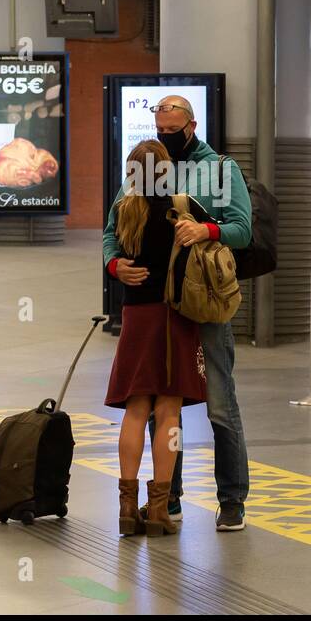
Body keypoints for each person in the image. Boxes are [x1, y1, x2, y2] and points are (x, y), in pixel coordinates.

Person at [103, 95, 254, 532]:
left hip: (204, 304)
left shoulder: (222, 170)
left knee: (220, 407)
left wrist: (206, 228)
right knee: (162, 405)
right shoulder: (147, 167)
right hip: (159, 308)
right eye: (160, 130)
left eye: (173, 130)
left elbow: (243, 230)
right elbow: (113, 230)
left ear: (192, 125)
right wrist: (115, 265)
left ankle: (231, 499)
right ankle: (167, 499)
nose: (165, 137)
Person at [106, 140, 211, 537]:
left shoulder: (124, 210)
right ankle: (160, 510)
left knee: (135, 411)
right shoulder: (180, 210)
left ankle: (127, 509)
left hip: (135, 317)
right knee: (168, 413)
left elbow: (111, 250)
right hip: (174, 317)